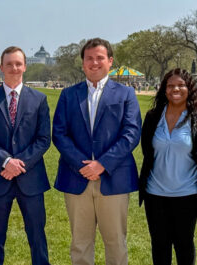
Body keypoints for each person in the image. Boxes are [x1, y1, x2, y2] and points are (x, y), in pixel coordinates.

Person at [52, 38, 141, 265]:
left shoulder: (125, 94)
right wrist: (83, 166)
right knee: (80, 244)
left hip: (113, 178)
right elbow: (59, 134)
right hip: (76, 177)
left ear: (110, 61)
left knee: (116, 243)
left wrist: (102, 164)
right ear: (82, 63)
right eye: (89, 58)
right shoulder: (68, 95)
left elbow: (131, 134)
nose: (94, 63)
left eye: (99, 58)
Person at [0, 46, 52, 265]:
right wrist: (6, 161)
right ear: (1, 67)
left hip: (31, 179)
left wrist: (19, 163)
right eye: (9, 64)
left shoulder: (39, 99)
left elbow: (43, 139)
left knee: (37, 237)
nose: (14, 68)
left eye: (18, 63)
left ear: (25, 66)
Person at [138, 69, 197, 265]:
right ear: (164, 89)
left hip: (187, 195)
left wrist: (188, 172)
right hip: (154, 194)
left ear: (189, 89)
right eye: (170, 85)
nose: (176, 89)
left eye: (181, 85)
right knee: (159, 246)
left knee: (184, 246)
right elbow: (147, 149)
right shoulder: (153, 117)